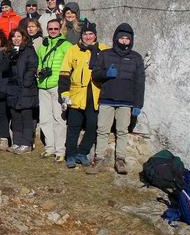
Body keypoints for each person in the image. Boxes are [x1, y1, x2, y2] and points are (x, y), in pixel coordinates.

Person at [89, 23, 145, 174]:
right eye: (122, 38)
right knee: (102, 130)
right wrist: (106, 73)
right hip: (107, 99)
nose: (124, 41)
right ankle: (98, 160)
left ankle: (120, 160)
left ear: (131, 40)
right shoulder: (105, 54)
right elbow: (95, 74)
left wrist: (138, 104)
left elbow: (140, 83)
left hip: (126, 102)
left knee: (122, 131)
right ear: (116, 38)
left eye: (127, 38)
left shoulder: (136, 58)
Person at [58, 21, 109, 168]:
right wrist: (64, 93)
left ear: (95, 35)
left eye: (90, 34)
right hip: (76, 94)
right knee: (73, 126)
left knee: (93, 126)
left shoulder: (103, 50)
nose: (88, 37)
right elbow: (64, 72)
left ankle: (83, 153)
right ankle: (71, 155)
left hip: (94, 94)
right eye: (85, 34)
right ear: (82, 35)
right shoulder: (73, 50)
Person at [36, 19, 72, 162]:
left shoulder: (66, 45)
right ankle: (49, 147)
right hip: (43, 85)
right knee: (44, 118)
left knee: (59, 119)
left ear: (60, 30)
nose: (52, 31)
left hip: (57, 85)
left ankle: (60, 150)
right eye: (50, 29)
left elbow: (70, 66)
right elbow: (40, 62)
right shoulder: (43, 45)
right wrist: (39, 71)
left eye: (55, 29)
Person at [4, 28, 39, 154]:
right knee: (15, 117)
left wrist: (26, 82)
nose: (16, 39)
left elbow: (32, 66)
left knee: (26, 117)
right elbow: (4, 69)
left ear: (23, 37)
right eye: (13, 37)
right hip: (12, 89)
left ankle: (26, 143)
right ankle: (16, 142)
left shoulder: (28, 50)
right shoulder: (8, 51)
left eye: (18, 36)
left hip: (25, 88)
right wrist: (9, 58)